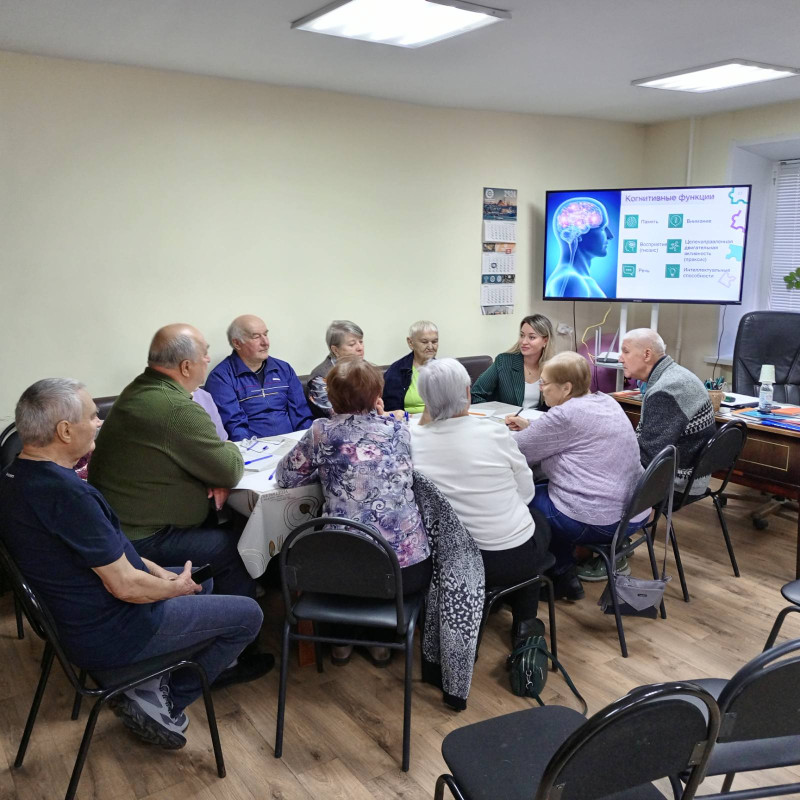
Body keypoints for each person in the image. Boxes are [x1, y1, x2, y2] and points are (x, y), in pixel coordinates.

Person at [0, 379, 265, 749]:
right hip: (110, 632)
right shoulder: (68, 495)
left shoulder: (15, 477)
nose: (98, 423)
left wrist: (159, 573)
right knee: (248, 615)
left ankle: (149, 680)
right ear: (64, 430)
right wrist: (175, 588)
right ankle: (164, 701)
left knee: (201, 583)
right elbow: (124, 586)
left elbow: (107, 549)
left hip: (74, 617)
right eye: (92, 416)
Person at [275, 357, 431, 665]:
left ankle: (341, 642)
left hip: (345, 569)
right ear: (377, 396)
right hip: (404, 568)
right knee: (374, 557)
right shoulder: (398, 429)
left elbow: (285, 476)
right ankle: (380, 643)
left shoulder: (322, 432)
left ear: (330, 398)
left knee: (341, 559)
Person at [410, 358, 551, 647]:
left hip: (449, 563)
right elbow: (525, 492)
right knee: (536, 523)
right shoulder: (494, 431)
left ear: (424, 399)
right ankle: (524, 623)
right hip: (507, 559)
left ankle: (499, 602)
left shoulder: (411, 439)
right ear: (468, 393)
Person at [506, 352, 648, 596]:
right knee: (551, 493)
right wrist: (534, 428)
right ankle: (565, 574)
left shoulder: (565, 415)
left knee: (525, 499)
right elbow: (576, 438)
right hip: (635, 512)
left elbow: (518, 451)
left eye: (545, 383)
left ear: (566, 387)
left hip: (601, 519)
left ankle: (556, 573)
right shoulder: (606, 401)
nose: (541, 389)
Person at [618, 328, 715, 494]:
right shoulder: (677, 373)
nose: (620, 358)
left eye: (625, 352)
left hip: (678, 481)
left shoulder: (665, 391)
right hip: (694, 474)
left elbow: (649, 458)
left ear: (647, 355)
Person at [204, 314, 313, 439]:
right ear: (237, 343)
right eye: (256, 337)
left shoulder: (283, 369)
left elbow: (301, 415)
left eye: (265, 334)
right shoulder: (221, 377)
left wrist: (307, 445)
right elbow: (234, 427)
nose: (265, 343)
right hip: (254, 450)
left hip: (293, 447)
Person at [471, 314, 554, 411]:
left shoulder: (553, 367)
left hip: (538, 422)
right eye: (522, 335)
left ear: (545, 341)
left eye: (531, 337)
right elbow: (476, 393)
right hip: (506, 421)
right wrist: (493, 417)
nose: (524, 342)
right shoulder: (504, 361)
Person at [545, 197, 613, 298]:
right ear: (577, 234)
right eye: (602, 228)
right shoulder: (571, 281)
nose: (610, 236)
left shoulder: (576, 279)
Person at [306, 320, 365, 417]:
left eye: (361, 342)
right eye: (352, 344)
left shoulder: (365, 368)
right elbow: (335, 415)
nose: (360, 348)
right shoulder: (320, 378)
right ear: (335, 350)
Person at [382, 320, 439, 414]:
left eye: (434, 342)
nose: (430, 346)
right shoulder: (397, 371)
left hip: (439, 421)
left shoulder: (444, 370)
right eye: (424, 342)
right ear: (410, 342)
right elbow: (391, 410)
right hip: (408, 424)